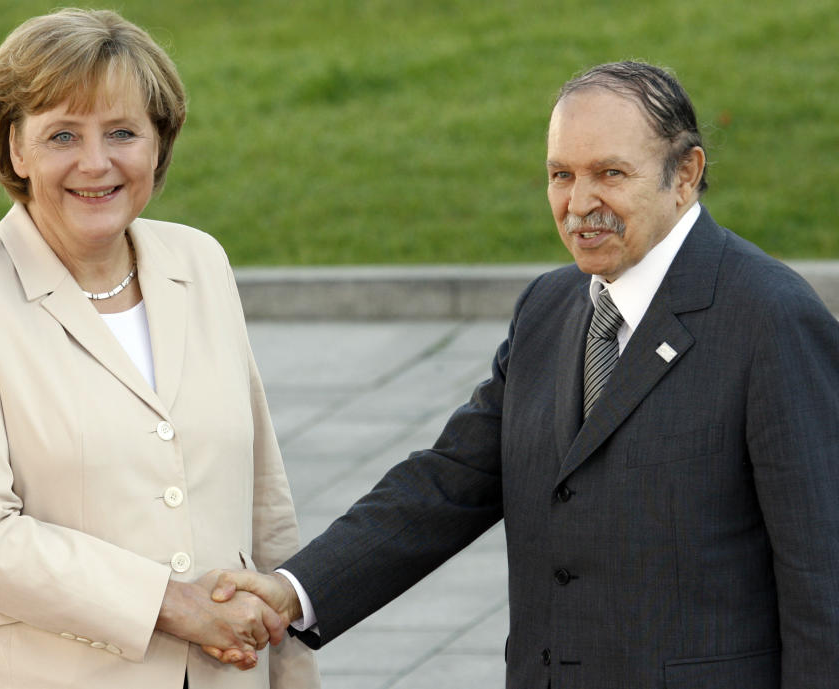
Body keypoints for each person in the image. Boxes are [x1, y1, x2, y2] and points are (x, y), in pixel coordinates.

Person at [208, 61, 839, 688]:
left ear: (686, 175)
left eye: (610, 174)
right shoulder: (549, 308)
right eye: (561, 174)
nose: (578, 202)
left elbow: (823, 579)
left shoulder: (770, 319)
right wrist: (293, 591)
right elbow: (449, 483)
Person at [0, 9, 319, 689]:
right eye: (62, 134)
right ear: (14, 150)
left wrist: (292, 673)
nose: (97, 163)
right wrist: (171, 604)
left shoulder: (199, 260)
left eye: (122, 132)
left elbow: (264, 499)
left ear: (158, 144)